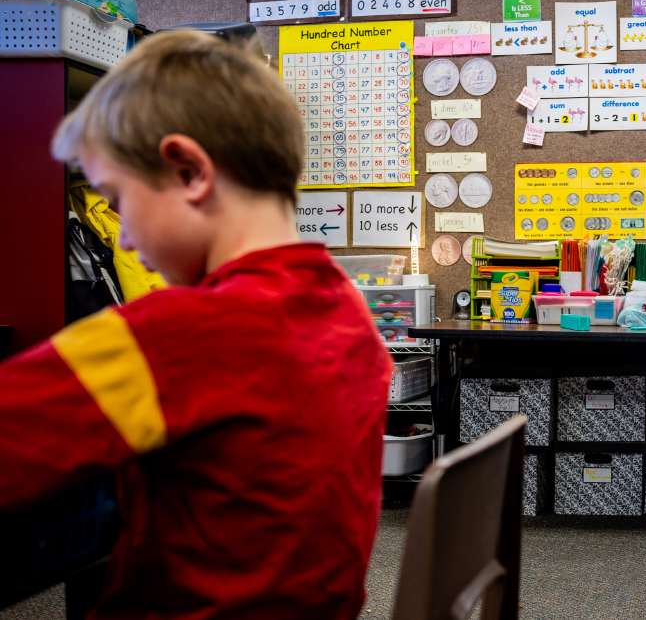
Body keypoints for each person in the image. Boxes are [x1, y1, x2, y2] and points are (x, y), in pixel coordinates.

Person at [0, 31, 391, 618]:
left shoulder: (178, 333)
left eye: (116, 200)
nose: (124, 236)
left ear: (188, 172)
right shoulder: (346, 310)